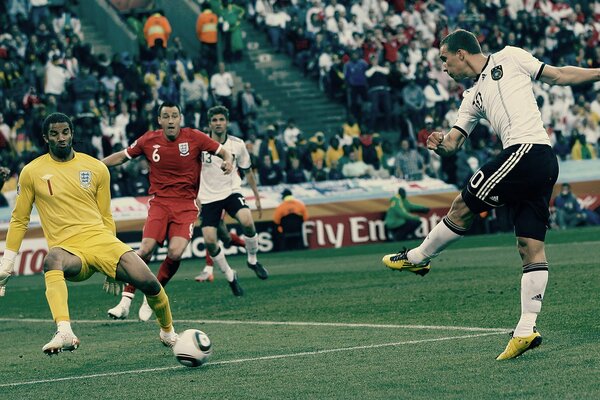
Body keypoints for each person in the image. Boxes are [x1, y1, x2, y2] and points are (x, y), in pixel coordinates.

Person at [382, 29, 600, 360]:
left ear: (461, 53)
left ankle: (419, 258)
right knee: (529, 247)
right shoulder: (471, 96)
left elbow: (558, 75)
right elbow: (454, 143)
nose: (443, 67)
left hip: (527, 150)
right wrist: (441, 144)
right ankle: (526, 330)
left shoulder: (510, 56)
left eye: (444, 59)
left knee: (461, 206)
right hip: (539, 164)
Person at [0, 113, 178, 354]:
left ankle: (168, 332)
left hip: (102, 242)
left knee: (150, 283)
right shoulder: (32, 172)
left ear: (72, 133)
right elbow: (19, 219)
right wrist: (7, 261)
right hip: (70, 251)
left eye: (65, 132)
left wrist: (112, 267)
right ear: (45, 138)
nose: (61, 138)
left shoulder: (96, 167)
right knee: (51, 259)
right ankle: (64, 331)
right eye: (54, 134)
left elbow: (106, 216)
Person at [104, 102, 234, 320]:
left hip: (185, 206)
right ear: (160, 120)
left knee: (175, 252)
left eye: (175, 115)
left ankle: (151, 297)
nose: (171, 120)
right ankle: (125, 302)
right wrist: (96, 165)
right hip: (160, 203)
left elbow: (224, 152)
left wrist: (228, 162)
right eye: (166, 116)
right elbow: (122, 156)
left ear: (180, 118)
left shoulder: (195, 137)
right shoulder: (148, 140)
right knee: (145, 250)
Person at [195, 106, 269, 295]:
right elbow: (191, 173)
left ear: (227, 122)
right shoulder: (200, 144)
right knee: (212, 240)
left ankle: (252, 260)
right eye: (214, 120)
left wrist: (257, 196)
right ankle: (230, 275)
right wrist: (195, 196)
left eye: (221, 119)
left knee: (247, 221)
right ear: (209, 123)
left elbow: (248, 170)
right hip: (209, 198)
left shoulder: (237, 144)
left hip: (231, 192)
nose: (218, 123)